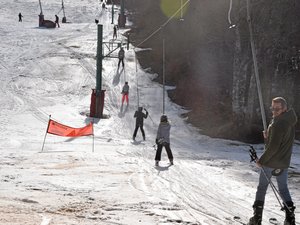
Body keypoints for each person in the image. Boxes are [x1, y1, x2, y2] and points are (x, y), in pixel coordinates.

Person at [248, 97, 297, 225]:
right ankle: (290, 220)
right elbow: (279, 141)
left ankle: (257, 219)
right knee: (284, 190)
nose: (274, 111)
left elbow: (273, 147)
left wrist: (261, 161)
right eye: (272, 108)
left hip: (270, 163)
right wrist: (268, 136)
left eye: (277, 108)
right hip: (283, 163)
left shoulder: (278, 124)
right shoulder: (289, 121)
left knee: (262, 188)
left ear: (284, 108)